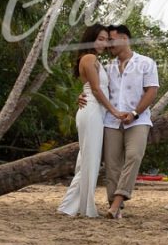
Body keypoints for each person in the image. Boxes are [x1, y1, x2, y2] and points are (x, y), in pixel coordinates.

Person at [78, 24, 159, 219]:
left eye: (111, 40)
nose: (108, 45)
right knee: (112, 164)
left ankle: (116, 203)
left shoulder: (146, 63)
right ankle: (114, 207)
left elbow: (152, 91)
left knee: (134, 156)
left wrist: (134, 113)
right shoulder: (107, 67)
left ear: (124, 39)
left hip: (138, 120)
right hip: (111, 121)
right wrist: (81, 96)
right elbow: (95, 87)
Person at [58, 24, 128, 218]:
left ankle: (70, 205)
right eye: (100, 39)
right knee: (90, 159)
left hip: (94, 111)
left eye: (106, 39)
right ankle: (79, 207)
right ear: (90, 39)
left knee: (87, 159)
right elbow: (96, 90)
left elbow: (93, 88)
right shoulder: (89, 58)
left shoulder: (94, 60)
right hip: (91, 111)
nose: (104, 43)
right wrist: (114, 111)